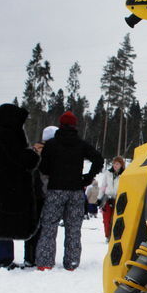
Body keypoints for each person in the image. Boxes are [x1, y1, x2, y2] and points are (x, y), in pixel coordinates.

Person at [35, 111, 102, 271]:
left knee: (49, 227)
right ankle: (71, 263)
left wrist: (54, 172)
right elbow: (98, 159)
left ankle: (45, 263)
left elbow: (43, 167)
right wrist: (87, 178)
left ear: (60, 124)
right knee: (73, 228)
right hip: (76, 190)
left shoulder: (51, 144)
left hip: (55, 190)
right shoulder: (81, 144)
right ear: (74, 125)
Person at [0, 104, 40, 269]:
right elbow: (20, 158)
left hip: (1, 183)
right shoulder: (7, 134)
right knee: (5, 223)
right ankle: (3, 259)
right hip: (10, 184)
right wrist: (33, 155)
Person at [22, 125, 57, 268]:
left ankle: (29, 257)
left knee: (32, 226)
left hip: (32, 193)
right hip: (44, 193)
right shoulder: (51, 153)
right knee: (43, 228)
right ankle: (36, 257)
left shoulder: (32, 152)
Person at [98, 156, 126, 242]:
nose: (115, 165)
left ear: (121, 165)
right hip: (107, 198)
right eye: (114, 163)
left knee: (116, 219)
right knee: (106, 219)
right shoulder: (108, 173)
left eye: (117, 164)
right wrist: (99, 198)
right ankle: (107, 236)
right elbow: (103, 186)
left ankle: (115, 236)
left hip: (118, 199)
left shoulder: (125, 174)